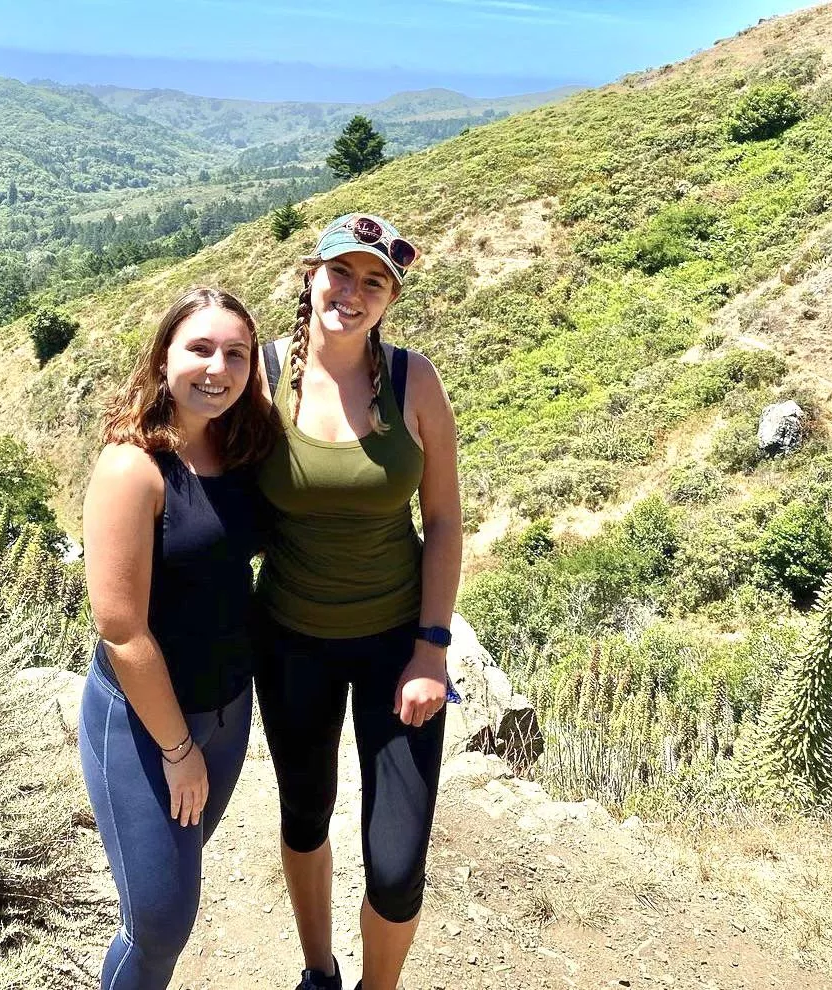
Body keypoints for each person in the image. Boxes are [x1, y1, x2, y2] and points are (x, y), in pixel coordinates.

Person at [254, 214, 463, 990]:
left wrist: (430, 649)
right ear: (310, 275)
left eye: (373, 281)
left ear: (389, 299)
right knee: (304, 814)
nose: (352, 291)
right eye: (339, 271)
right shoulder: (261, 376)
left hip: (395, 647)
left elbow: (443, 521)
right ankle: (319, 972)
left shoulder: (415, 381)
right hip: (290, 638)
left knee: (397, 866)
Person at [78, 286, 274, 990]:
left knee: (172, 882)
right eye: (199, 349)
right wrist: (178, 750)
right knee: (159, 922)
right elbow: (121, 629)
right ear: (163, 357)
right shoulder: (132, 468)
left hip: (227, 711)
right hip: (145, 725)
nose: (218, 368)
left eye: (236, 354)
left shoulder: (238, 445)